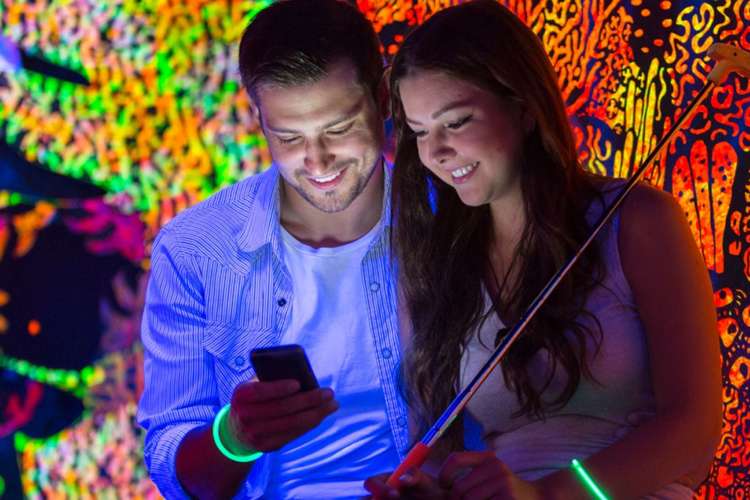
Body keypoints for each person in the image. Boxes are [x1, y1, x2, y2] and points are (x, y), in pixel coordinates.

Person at [366, 1, 722, 498]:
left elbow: (695, 433)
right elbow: (440, 450)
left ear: (523, 107)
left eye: (457, 121)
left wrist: (549, 494)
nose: (436, 152)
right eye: (421, 132)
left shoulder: (638, 220)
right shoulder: (433, 266)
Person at [137, 1, 410, 498]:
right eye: (288, 136)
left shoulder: (451, 219)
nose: (318, 160)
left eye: (339, 128)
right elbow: (171, 463)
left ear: (384, 97)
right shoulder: (193, 248)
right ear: (258, 118)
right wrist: (233, 438)